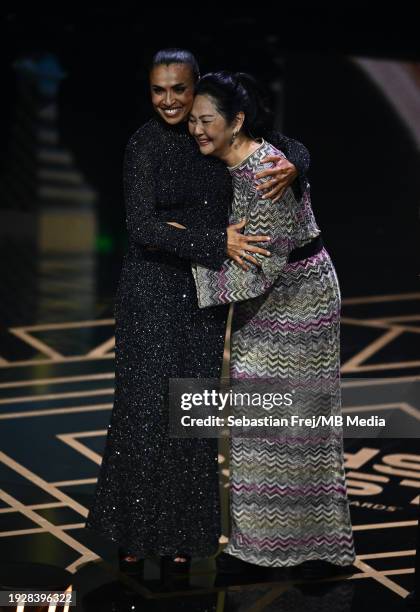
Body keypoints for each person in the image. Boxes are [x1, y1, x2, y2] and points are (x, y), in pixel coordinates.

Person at [85, 49, 310, 576]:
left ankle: (184, 535)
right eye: (158, 90)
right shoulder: (142, 145)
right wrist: (217, 241)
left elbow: (288, 142)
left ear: (196, 90)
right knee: (142, 418)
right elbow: (142, 226)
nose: (168, 101)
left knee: (190, 420)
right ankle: (134, 534)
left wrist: (296, 164)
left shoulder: (211, 135)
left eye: (179, 90)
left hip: (203, 298)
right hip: (150, 294)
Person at [189, 71, 356, 575]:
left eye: (206, 120)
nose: (196, 130)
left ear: (236, 122)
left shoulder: (267, 172)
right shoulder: (226, 161)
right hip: (263, 305)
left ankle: (313, 549)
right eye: (193, 121)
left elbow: (256, 269)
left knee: (298, 427)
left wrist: (188, 272)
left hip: (300, 303)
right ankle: (258, 546)